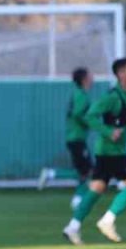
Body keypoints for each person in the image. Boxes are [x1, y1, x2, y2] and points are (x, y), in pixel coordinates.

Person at [62, 57, 126, 245]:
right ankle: (107, 220)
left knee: (96, 190)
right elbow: (90, 116)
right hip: (112, 152)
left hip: (107, 151)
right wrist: (108, 131)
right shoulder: (112, 97)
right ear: (120, 75)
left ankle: (72, 227)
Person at [39, 67, 95, 209]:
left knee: (84, 171)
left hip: (75, 137)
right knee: (87, 171)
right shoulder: (81, 96)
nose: (92, 78)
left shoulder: (79, 94)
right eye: (90, 75)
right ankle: (53, 175)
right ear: (84, 79)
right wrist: (92, 122)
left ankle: (77, 199)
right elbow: (78, 114)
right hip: (76, 138)